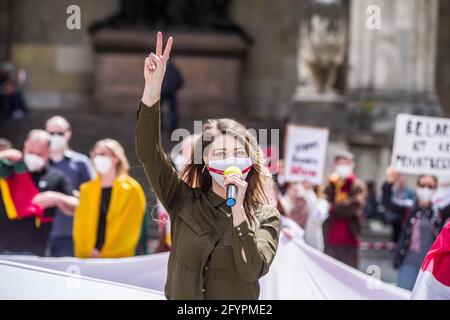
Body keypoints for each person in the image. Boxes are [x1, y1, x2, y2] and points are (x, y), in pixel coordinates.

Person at [136, 32, 280, 300]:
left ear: (249, 161)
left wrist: (237, 211)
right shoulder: (182, 199)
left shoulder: (266, 216)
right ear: (206, 161)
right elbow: (148, 151)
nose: (231, 159)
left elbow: (252, 269)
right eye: (222, 153)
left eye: (238, 152)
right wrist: (152, 88)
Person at [0, 130, 78, 256]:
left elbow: (76, 205)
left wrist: (58, 198)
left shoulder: (56, 176)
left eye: (39, 154)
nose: (34, 157)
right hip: (3, 250)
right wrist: (2, 155)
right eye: (31, 152)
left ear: (48, 152)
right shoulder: (8, 170)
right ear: (25, 146)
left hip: (36, 252)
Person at [72, 139, 146, 258]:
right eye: (95, 155)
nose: (97, 158)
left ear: (116, 158)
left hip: (118, 257)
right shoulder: (86, 189)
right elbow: (81, 226)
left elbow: (130, 227)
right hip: (88, 256)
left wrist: (106, 252)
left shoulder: (131, 189)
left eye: (102, 154)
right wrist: (89, 250)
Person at [382, 170, 441, 290]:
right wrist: (389, 182)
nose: (426, 189)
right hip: (407, 264)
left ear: (435, 188)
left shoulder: (439, 212)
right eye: (422, 185)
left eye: (430, 186)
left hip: (430, 270)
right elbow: (387, 202)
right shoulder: (409, 209)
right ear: (417, 187)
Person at [45, 116, 95, 257]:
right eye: (51, 133)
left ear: (68, 133)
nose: (55, 137)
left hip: (70, 233)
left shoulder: (81, 162)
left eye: (59, 133)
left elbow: (93, 196)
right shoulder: (38, 161)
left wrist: (73, 197)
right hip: (39, 232)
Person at [323, 151, 366, 269]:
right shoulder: (330, 184)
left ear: (352, 164)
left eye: (346, 164)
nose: (343, 167)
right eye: (340, 164)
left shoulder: (357, 185)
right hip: (331, 239)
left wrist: (333, 208)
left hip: (350, 240)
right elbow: (324, 203)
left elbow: (354, 206)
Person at [382, 168, 416, 243]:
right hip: (393, 218)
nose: (401, 181)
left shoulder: (410, 192)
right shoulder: (392, 190)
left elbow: (413, 204)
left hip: (406, 219)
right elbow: (387, 202)